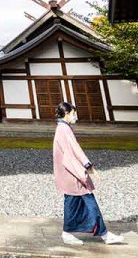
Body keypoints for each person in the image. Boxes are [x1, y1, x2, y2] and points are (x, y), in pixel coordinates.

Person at [53, 101, 124, 246]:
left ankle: (68, 232)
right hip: (72, 173)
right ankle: (104, 234)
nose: (75, 116)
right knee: (88, 201)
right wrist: (88, 167)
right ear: (66, 114)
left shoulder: (62, 128)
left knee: (72, 203)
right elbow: (74, 150)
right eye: (73, 113)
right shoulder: (64, 130)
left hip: (68, 173)